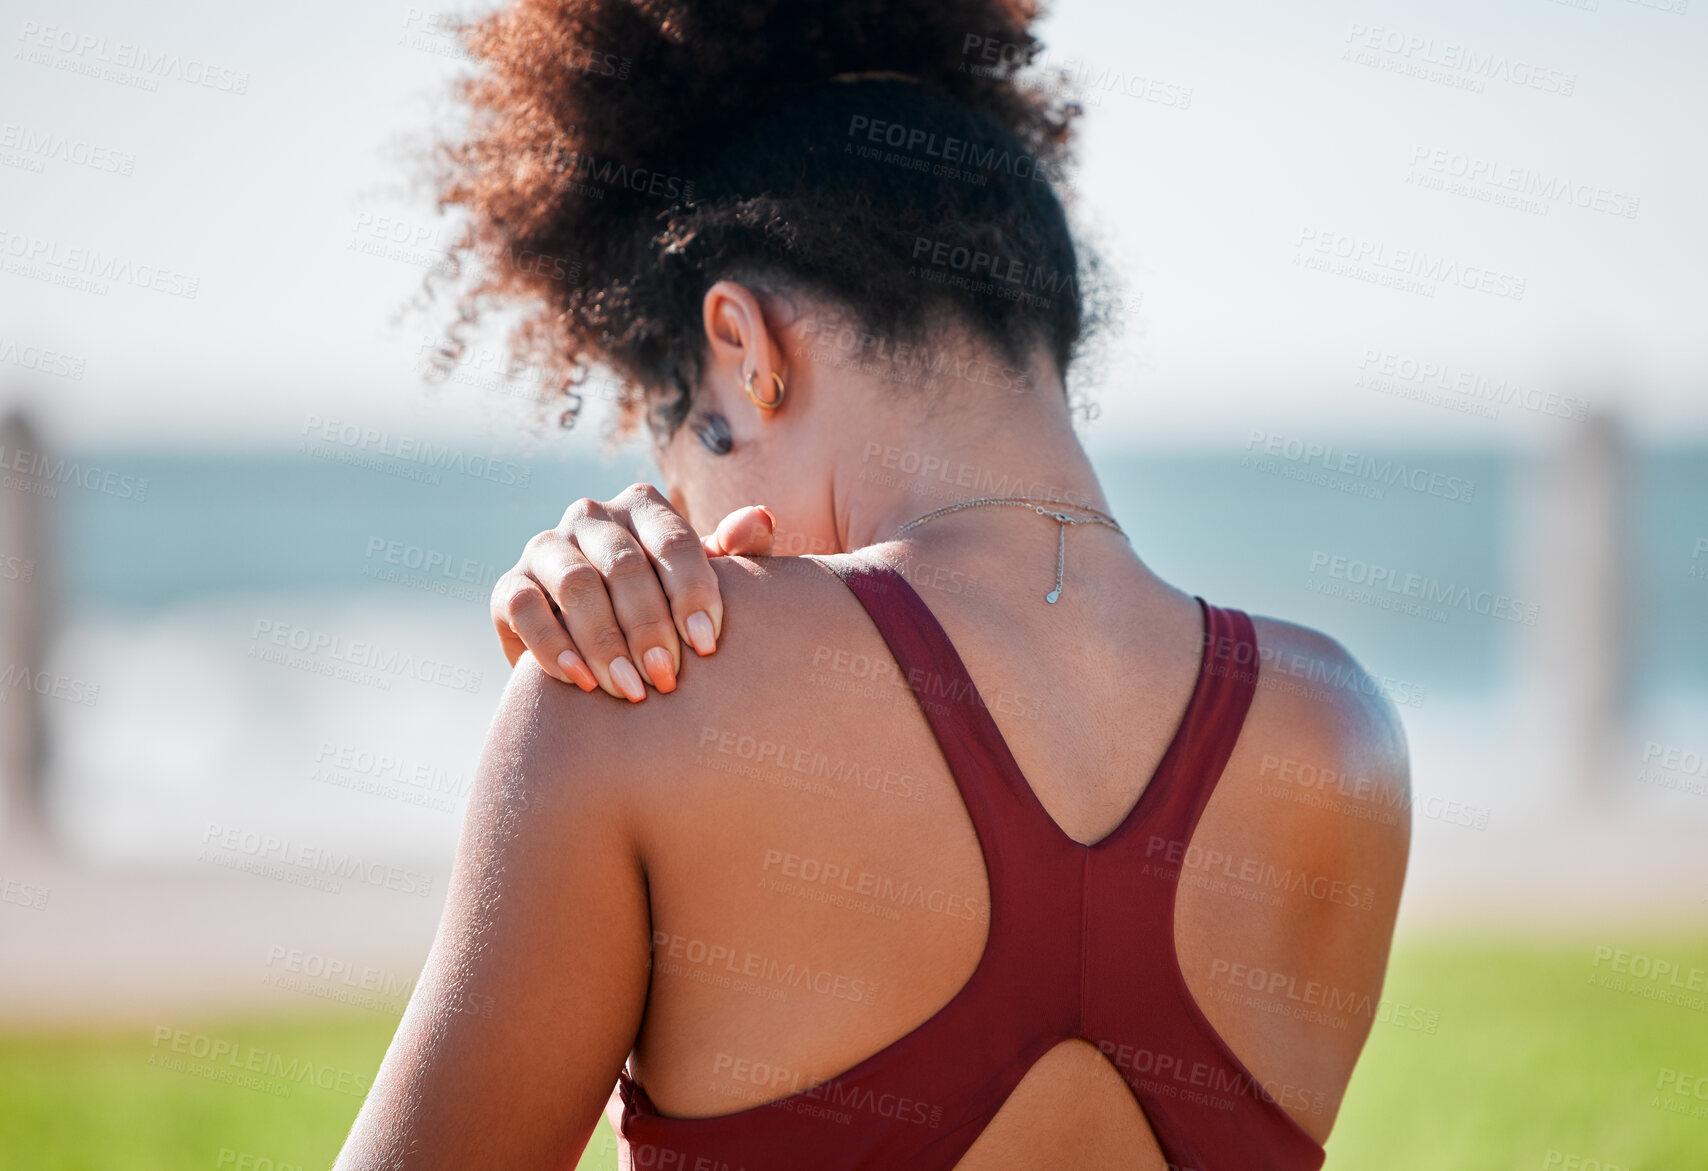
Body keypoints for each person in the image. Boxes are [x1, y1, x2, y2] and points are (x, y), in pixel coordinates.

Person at [336, 1, 1411, 1167]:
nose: (689, 524)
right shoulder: (1341, 726)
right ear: (1041, 332)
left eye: (675, 456)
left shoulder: (639, 691)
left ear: (744, 347)